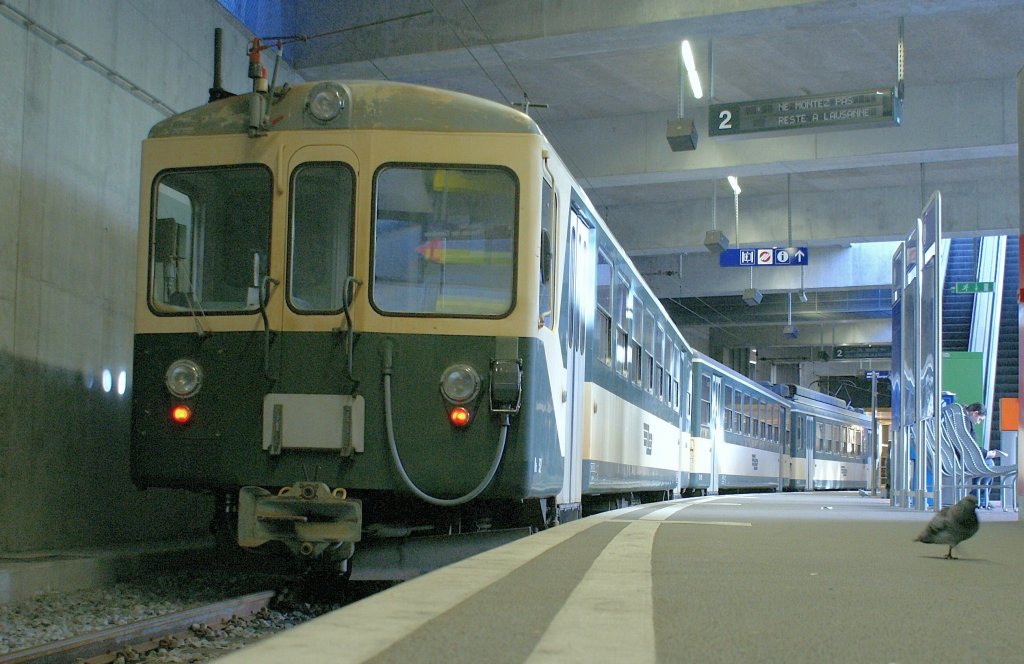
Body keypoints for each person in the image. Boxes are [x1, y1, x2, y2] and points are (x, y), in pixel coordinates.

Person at [965, 402, 1006, 508]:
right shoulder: (965, 423)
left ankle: (979, 498)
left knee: (988, 463)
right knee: (988, 464)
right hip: (964, 459)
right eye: (980, 419)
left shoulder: (963, 421)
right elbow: (968, 445)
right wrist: (986, 453)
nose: (978, 423)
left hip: (963, 457)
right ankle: (978, 499)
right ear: (975, 413)